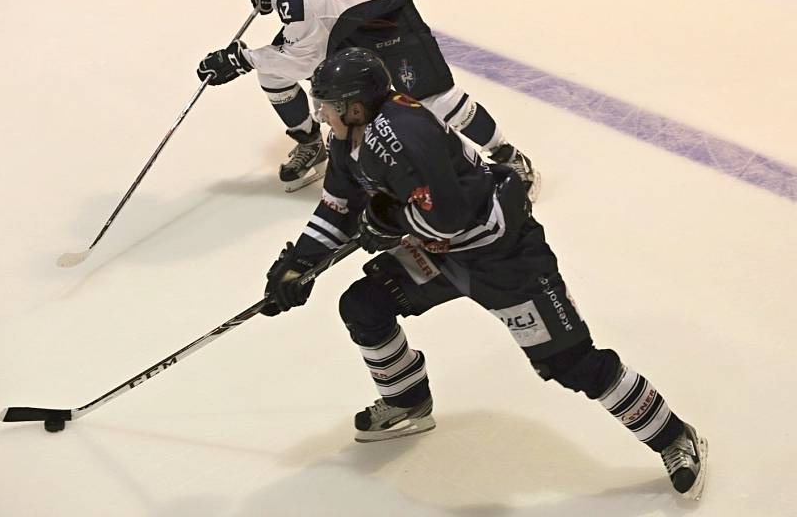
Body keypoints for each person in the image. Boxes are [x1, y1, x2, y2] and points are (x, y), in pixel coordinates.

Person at [261, 46, 708, 500]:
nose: (321, 115)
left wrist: (392, 221)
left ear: (355, 107)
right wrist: (301, 261)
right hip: (441, 254)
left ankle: (674, 436)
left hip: (502, 256)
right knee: (364, 304)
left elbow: (449, 216)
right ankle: (407, 401)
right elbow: (339, 205)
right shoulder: (350, 140)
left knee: (570, 362)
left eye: (328, 106)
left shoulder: (400, 136)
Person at [196, 0, 539, 197]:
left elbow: (305, 59)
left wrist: (242, 59)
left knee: (433, 98)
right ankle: (311, 144)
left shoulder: (313, 2)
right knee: (273, 77)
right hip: (346, 11)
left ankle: (508, 156)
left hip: (383, 12)